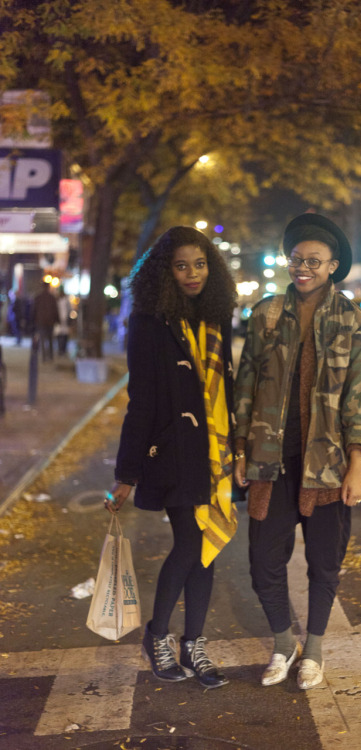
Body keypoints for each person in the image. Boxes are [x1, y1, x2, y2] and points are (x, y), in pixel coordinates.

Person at [234, 213, 361, 690]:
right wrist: (239, 450)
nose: (303, 268)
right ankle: (282, 643)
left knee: (324, 563)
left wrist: (356, 465)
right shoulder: (267, 315)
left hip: (329, 465)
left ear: (332, 266)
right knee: (263, 563)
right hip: (270, 462)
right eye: (297, 259)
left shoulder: (352, 321)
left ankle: (312, 649)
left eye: (313, 261)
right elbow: (246, 387)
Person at [105, 226, 238, 690]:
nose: (192, 274)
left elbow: (228, 388)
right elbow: (139, 399)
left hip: (215, 450)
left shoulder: (215, 316)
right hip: (176, 450)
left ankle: (194, 644)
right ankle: (157, 636)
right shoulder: (148, 320)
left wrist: (236, 449)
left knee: (206, 548)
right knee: (189, 542)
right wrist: (127, 472)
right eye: (182, 266)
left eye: (200, 264)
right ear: (166, 271)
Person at [33, 281, 60, 361]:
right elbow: (55, 310)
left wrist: (33, 320)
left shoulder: (38, 297)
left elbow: (34, 310)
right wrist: (57, 320)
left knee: (43, 339)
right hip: (50, 321)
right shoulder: (52, 298)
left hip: (41, 321)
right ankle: (50, 356)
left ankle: (44, 357)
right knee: (50, 339)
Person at [54, 287, 71, 355]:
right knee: (59, 335)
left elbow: (69, 309)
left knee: (65, 335)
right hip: (58, 320)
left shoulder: (66, 300)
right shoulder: (56, 300)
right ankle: (60, 349)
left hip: (65, 320)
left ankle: (63, 349)